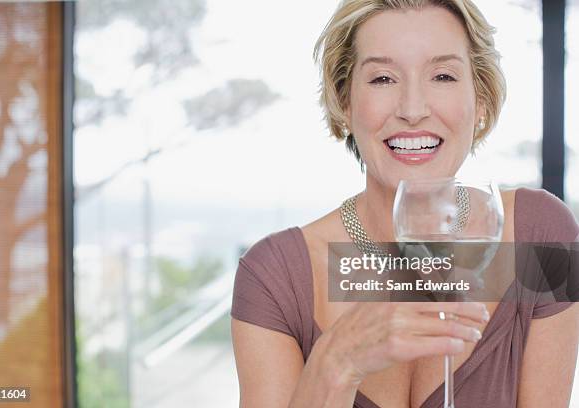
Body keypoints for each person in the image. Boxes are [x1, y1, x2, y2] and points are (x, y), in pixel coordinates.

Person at [230, 0, 579, 407]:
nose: (413, 110)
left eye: (443, 75)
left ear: (480, 100)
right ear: (345, 103)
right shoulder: (275, 276)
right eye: (382, 79)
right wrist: (336, 361)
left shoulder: (542, 239)